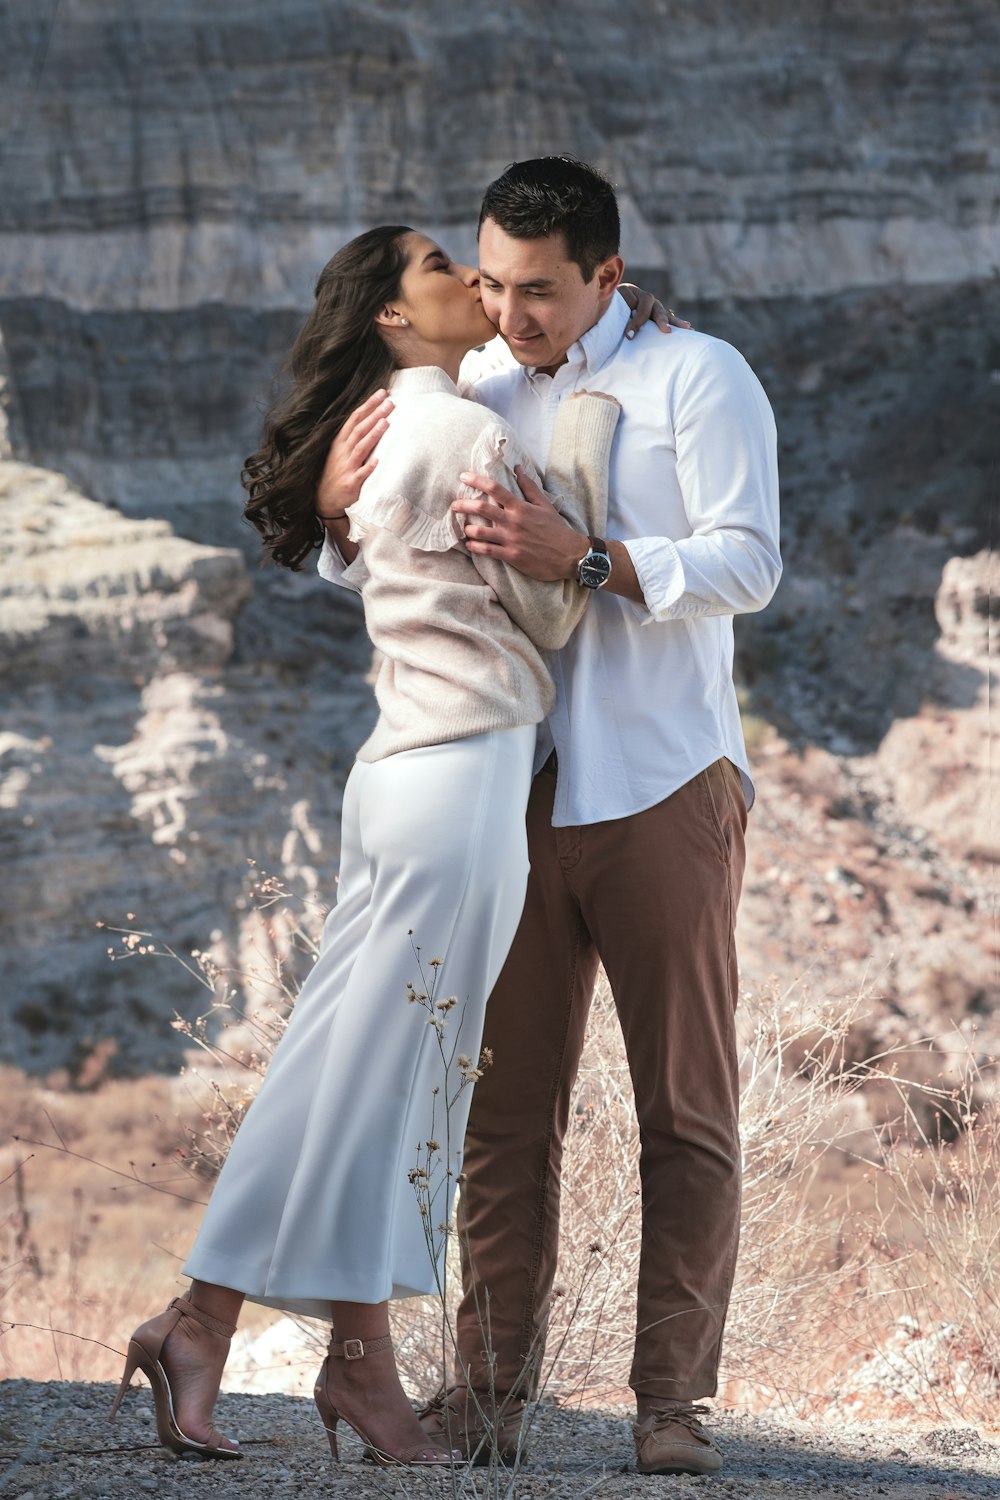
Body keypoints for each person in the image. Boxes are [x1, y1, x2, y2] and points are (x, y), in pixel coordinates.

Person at [109, 223, 625, 1469]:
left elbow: (394, 571)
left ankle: (247, 1334)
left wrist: (342, 523)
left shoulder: (389, 434)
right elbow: (549, 612)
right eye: (444, 268)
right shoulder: (469, 436)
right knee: (394, 1079)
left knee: (360, 1068)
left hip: (408, 776)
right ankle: (282, 1345)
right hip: (462, 781)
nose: (471, 285)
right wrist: (582, 535)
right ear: (395, 315)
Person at [318, 157, 781, 1478]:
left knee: (684, 1106)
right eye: (492, 284)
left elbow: (749, 560)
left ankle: (671, 1407)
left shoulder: (699, 380)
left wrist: (577, 555)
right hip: (513, 794)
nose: (511, 313)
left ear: (607, 278)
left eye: (540, 292)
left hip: (663, 787)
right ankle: (485, 1403)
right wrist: (334, 510)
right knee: (504, 1114)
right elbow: (348, 549)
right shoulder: (472, 387)